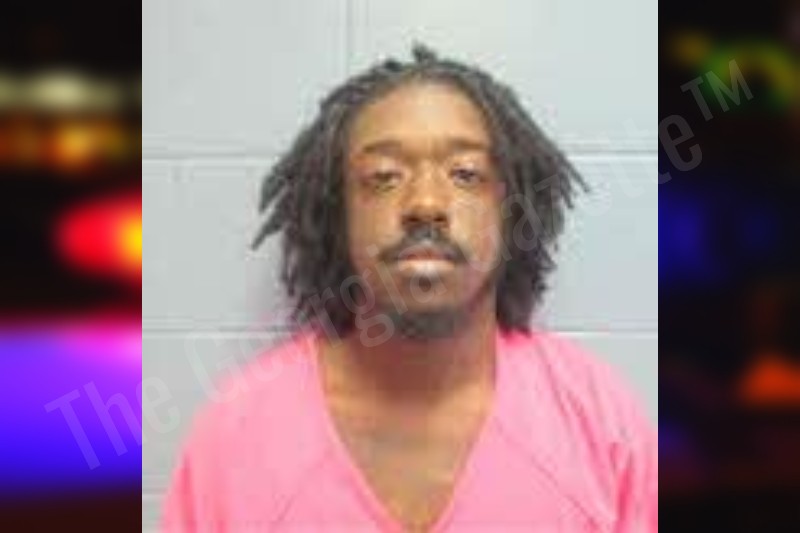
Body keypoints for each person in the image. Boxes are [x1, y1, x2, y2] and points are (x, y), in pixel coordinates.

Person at [162, 45, 657, 532]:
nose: (425, 203)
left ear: (513, 211)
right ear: (337, 214)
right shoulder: (234, 441)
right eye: (383, 177)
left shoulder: (601, 427)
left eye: (466, 174)